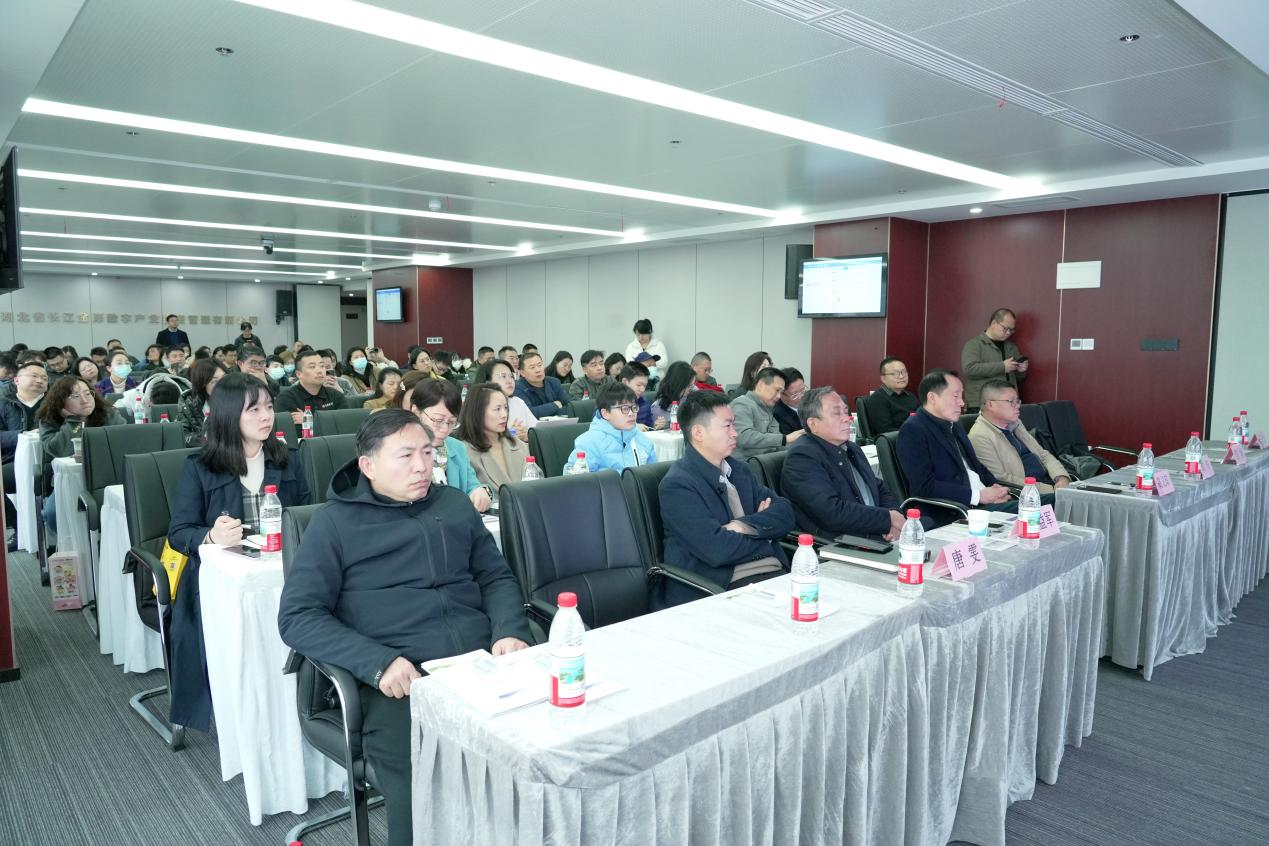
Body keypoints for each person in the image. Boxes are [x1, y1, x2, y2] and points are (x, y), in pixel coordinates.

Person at [278, 410, 529, 846]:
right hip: (401, 680)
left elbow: (495, 576)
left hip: (481, 662)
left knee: (546, 739)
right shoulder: (334, 524)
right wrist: (378, 663)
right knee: (424, 779)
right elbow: (297, 616)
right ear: (368, 466)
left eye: (428, 453)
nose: (421, 466)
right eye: (406, 455)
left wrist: (509, 630)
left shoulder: (452, 504)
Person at [168, 373, 310, 734]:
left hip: (283, 573)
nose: (266, 416)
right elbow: (179, 533)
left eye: (269, 407)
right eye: (254, 410)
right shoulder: (199, 467)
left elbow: (309, 515)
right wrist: (210, 535)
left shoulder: (287, 459)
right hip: (222, 581)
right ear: (230, 415)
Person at [658, 390, 794, 607]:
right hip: (721, 587)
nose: (735, 433)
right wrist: (766, 535)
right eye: (727, 426)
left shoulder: (739, 470)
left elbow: (785, 513)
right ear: (698, 433)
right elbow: (717, 550)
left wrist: (742, 526)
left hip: (774, 575)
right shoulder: (678, 484)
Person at [782, 387, 905, 542]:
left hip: (875, 532)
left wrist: (893, 514)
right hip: (841, 543)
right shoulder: (802, 457)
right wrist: (887, 520)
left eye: (846, 412)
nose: (847, 418)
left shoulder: (851, 448)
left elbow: (877, 486)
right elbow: (831, 513)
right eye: (836, 413)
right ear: (813, 424)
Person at [896, 369, 1013, 517]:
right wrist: (978, 496)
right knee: (1038, 507)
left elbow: (975, 465)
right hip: (956, 511)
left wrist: (996, 489)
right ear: (932, 398)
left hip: (984, 502)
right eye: (956, 396)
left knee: (1038, 504)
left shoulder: (954, 424)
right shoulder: (913, 430)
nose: (962, 403)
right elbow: (924, 486)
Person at [36, 375, 127, 531]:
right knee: (53, 514)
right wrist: (74, 421)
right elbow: (59, 450)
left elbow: (122, 443)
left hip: (109, 476)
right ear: (60, 401)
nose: (85, 400)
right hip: (69, 480)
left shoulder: (108, 413)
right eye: (75, 396)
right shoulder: (49, 419)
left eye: (87, 393)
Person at [969, 379, 1070, 493]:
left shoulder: (1015, 423)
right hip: (1028, 494)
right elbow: (1001, 479)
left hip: (1050, 484)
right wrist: (1051, 490)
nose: (1017, 406)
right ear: (990, 405)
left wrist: (1061, 478)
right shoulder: (979, 436)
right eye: (1011, 402)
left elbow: (1042, 454)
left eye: (1017, 401)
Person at [408, 378, 491, 513]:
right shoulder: (400, 451)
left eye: (452, 422)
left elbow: (472, 486)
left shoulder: (456, 448)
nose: (445, 429)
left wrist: (479, 492)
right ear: (416, 412)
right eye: (438, 420)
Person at [563, 382, 657, 473]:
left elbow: (652, 475)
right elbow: (574, 479)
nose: (631, 413)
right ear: (606, 414)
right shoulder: (589, 443)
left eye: (634, 408)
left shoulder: (643, 439)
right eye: (625, 409)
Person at [459, 382, 531, 490]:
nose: (504, 415)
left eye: (505, 408)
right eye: (497, 409)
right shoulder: (465, 452)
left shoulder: (518, 445)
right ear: (478, 412)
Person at [961, 307, 1028, 411]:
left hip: (1008, 403)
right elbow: (969, 369)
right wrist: (1002, 367)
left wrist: (1021, 370)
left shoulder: (1011, 347)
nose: (1008, 333)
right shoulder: (974, 344)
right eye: (1005, 328)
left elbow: (1017, 379)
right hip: (980, 404)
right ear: (993, 323)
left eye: (1011, 330)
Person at [729, 366, 803, 459]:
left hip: (766, 460)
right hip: (746, 462)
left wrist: (800, 448)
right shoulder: (742, 404)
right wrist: (786, 439)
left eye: (781, 392)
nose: (779, 396)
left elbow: (777, 445)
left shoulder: (768, 409)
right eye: (777, 390)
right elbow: (743, 437)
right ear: (761, 385)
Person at [274, 349, 348, 428]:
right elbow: (287, 429)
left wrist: (309, 421)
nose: (320, 371)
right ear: (299, 374)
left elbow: (344, 425)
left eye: (322, 366)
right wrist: (327, 422)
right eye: (312, 367)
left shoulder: (336, 396)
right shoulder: (286, 398)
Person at [858, 357, 919, 438]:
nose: (901, 376)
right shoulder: (878, 399)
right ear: (883, 378)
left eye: (904, 372)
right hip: (896, 441)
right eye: (895, 373)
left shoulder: (911, 396)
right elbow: (886, 430)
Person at [476, 359, 535, 442]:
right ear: (487, 381)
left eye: (511, 376)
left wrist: (527, 436)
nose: (510, 381)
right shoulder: (478, 405)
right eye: (503, 376)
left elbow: (536, 429)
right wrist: (510, 436)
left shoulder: (517, 402)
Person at [1, 361, 48, 459]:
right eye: (34, 376)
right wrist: (24, 435)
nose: (40, 380)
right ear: (17, 380)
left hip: (48, 460)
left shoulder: (55, 404)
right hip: (12, 460)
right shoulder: (3, 404)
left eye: (44, 378)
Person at [176, 359, 227, 447]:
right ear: (202, 384)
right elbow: (181, 436)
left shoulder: (238, 398)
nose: (222, 384)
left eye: (225, 378)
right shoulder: (189, 404)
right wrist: (209, 439)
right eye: (214, 381)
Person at [513, 351, 570, 418]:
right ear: (522, 373)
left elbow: (571, 406)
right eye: (532, 367)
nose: (538, 370)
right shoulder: (518, 388)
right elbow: (528, 413)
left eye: (540, 365)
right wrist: (555, 405)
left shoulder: (554, 382)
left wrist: (546, 413)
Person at [649, 361, 694, 427]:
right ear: (679, 385)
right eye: (689, 386)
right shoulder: (657, 409)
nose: (691, 389)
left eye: (692, 386)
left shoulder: (690, 398)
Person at [618, 362, 659, 429]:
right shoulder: (609, 402)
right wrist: (634, 427)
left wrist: (654, 426)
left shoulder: (644, 404)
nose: (642, 390)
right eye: (638, 385)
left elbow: (648, 427)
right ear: (625, 382)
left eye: (645, 386)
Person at [772, 367, 805, 435]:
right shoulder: (776, 417)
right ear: (781, 393)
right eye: (795, 394)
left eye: (802, 390)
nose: (801, 396)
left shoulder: (811, 402)